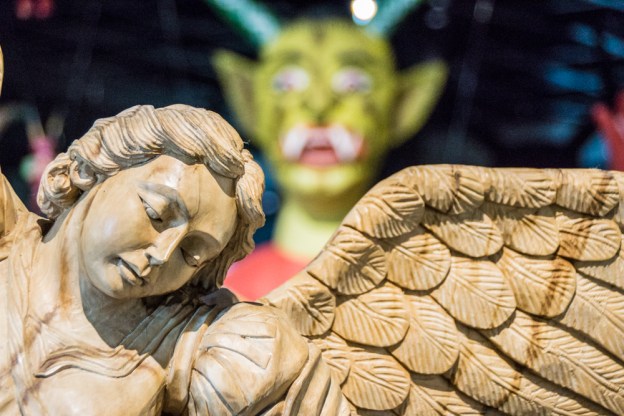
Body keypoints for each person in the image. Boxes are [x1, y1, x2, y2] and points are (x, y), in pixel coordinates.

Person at [0, 104, 347, 415]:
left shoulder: (203, 347)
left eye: (191, 253)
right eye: (157, 214)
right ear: (92, 172)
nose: (162, 254)